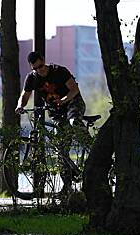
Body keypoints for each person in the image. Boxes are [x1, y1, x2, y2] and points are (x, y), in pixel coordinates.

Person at [15, 51, 87, 192]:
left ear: (44, 60)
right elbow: (25, 95)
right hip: (56, 112)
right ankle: (67, 188)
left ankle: (90, 145)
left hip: (73, 103)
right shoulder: (32, 78)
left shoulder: (59, 71)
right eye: (35, 68)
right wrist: (20, 106)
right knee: (60, 151)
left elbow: (74, 89)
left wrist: (64, 100)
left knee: (73, 121)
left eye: (40, 66)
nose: (39, 70)